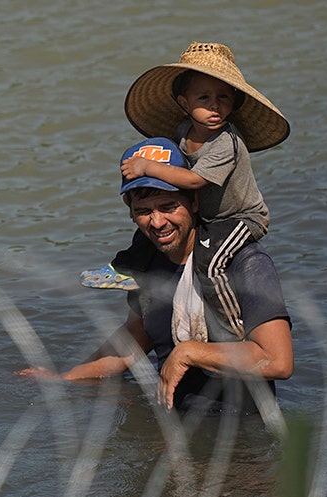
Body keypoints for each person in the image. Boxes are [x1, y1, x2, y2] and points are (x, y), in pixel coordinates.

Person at [23, 138, 293, 415]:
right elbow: (133, 340)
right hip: (172, 423)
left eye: (168, 206)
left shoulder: (243, 262)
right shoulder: (148, 265)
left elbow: (277, 361)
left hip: (238, 431)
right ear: (130, 211)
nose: (157, 222)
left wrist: (189, 353)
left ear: (195, 201)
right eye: (144, 211)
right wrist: (65, 379)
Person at [81, 42, 290, 342]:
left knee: (212, 262)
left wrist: (148, 168)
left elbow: (193, 181)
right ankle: (123, 267)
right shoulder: (183, 133)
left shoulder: (226, 143)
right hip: (209, 214)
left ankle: (230, 324)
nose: (215, 106)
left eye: (224, 98)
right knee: (146, 233)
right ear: (184, 103)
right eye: (204, 98)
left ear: (235, 103)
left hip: (240, 218)